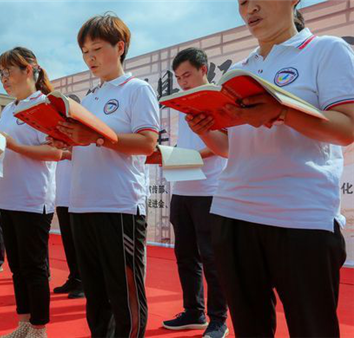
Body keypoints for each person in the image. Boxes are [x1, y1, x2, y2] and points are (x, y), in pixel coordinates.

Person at [187, 1, 354, 336]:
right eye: (243, 2)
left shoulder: (325, 50)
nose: (251, 8)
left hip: (300, 217)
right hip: (233, 213)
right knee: (250, 328)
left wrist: (281, 113)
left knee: (313, 328)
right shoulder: (239, 69)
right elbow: (231, 148)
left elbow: (348, 127)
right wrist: (204, 127)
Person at [52, 14, 160, 337]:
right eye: (85, 52)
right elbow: (89, 147)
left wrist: (96, 138)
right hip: (82, 206)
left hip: (119, 207)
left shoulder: (137, 90)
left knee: (124, 294)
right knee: (96, 298)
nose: (90, 58)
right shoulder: (90, 98)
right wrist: (67, 143)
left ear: (120, 47)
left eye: (96, 49)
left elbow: (147, 143)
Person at [161, 48, 229, 338]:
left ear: (204, 69)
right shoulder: (182, 104)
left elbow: (223, 144)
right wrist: (171, 156)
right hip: (182, 189)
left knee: (212, 259)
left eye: (187, 75)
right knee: (185, 255)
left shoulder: (218, 100)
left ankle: (218, 320)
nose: (183, 82)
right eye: (178, 78)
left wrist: (181, 157)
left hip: (210, 190)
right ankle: (194, 311)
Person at [0, 47, 62, 338]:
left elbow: (56, 151)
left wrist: (15, 146)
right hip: (6, 195)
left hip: (34, 198)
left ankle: (39, 328)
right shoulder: (8, 109)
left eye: (8, 72)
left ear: (29, 70)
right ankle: (23, 323)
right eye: (0, 73)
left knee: (35, 266)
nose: (4, 79)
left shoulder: (44, 105)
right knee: (17, 267)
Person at [53, 94, 84, 300]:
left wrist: (65, 150)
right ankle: (74, 277)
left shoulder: (83, 130)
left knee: (80, 242)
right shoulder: (57, 129)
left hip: (78, 194)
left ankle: (84, 282)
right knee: (68, 241)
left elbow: (84, 152)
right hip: (62, 193)